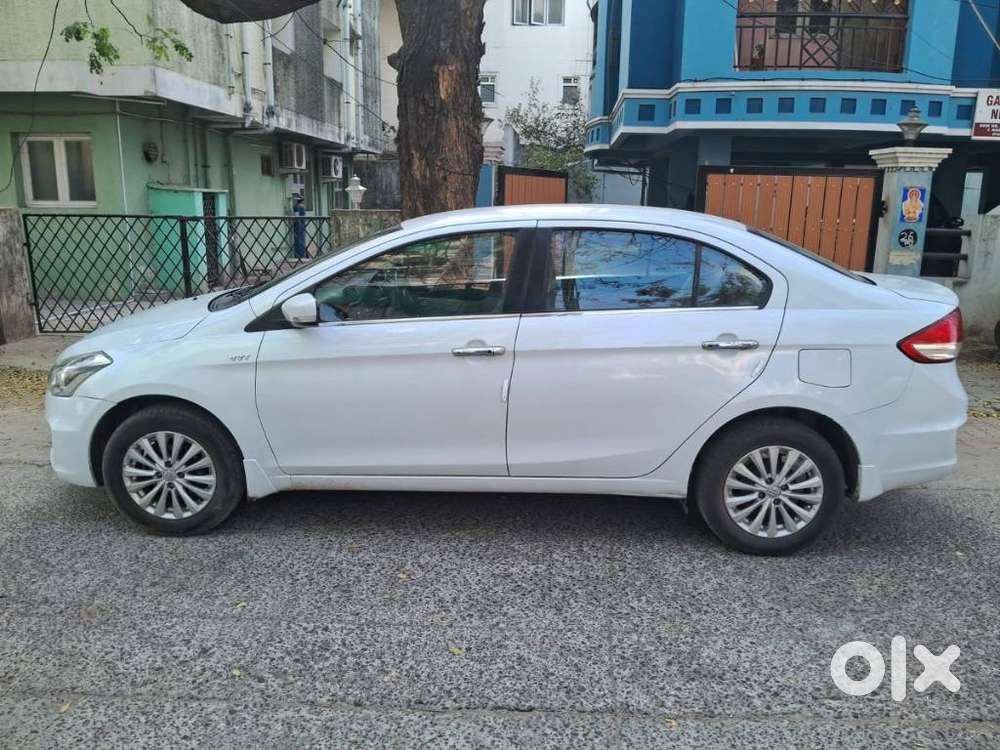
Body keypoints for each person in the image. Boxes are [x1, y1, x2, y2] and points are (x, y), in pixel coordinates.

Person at [293, 194, 307, 259]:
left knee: (298, 240)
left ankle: (298, 254)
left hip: (298, 225)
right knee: (302, 239)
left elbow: (296, 217)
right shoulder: (303, 207)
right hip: (302, 224)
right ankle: (302, 254)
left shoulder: (296, 207)